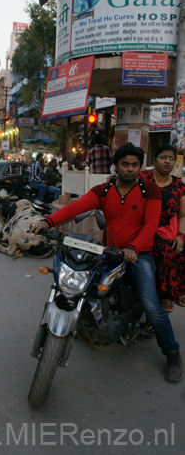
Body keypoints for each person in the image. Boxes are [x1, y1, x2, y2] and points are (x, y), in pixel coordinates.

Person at [31, 143, 182, 383]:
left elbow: (150, 225)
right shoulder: (105, 189)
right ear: (116, 166)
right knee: (83, 285)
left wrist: (133, 248)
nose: (130, 169)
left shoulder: (150, 191)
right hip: (109, 251)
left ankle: (172, 353)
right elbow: (75, 207)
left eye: (135, 165)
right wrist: (48, 221)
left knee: (152, 305)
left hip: (140, 254)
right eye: (125, 164)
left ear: (140, 167)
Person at [140, 145, 185, 313]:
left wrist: (181, 235)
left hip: (167, 227)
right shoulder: (143, 177)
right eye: (163, 157)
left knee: (180, 246)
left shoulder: (179, 184)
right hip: (144, 226)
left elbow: (183, 215)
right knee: (164, 250)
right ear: (154, 159)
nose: (167, 161)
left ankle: (180, 287)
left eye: (171, 158)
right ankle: (169, 293)